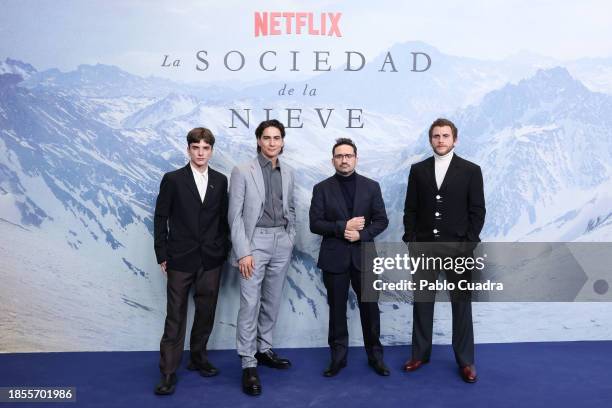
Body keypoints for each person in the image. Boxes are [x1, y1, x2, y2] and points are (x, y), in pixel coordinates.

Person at [402, 118, 486, 383]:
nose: (440, 140)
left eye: (445, 136)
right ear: (430, 140)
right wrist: (412, 240)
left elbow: (478, 211)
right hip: (424, 248)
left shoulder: (471, 170)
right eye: (436, 136)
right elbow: (410, 209)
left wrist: (467, 245)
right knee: (422, 303)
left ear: (455, 140)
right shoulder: (418, 170)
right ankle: (420, 354)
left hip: (458, 250)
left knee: (461, 306)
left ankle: (465, 361)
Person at [153, 127, 229, 395]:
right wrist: (162, 254)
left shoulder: (220, 181)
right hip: (180, 259)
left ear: (211, 151)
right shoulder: (172, 179)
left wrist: (222, 250)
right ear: (188, 150)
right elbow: (161, 217)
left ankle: (198, 358)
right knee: (175, 316)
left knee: (206, 312)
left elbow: (223, 220)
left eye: (205, 148)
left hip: (210, 259)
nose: (200, 153)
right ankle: (168, 372)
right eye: (196, 148)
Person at [309, 138, 390, 377]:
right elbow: (315, 224)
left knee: (370, 310)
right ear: (333, 159)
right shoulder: (321, 188)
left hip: (364, 256)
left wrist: (361, 235)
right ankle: (338, 359)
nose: (344, 160)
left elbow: (382, 220)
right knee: (336, 311)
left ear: (356, 158)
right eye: (339, 156)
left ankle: (375, 357)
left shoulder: (371, 186)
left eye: (348, 155)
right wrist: (342, 227)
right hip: (334, 258)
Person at [229, 119, 296, 396]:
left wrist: (290, 237)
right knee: (250, 302)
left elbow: (289, 207)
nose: (272, 142)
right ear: (258, 140)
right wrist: (243, 251)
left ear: (282, 141)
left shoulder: (289, 171)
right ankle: (248, 362)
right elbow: (233, 217)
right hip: (254, 241)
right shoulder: (243, 171)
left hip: (282, 239)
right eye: (266, 138)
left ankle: (264, 348)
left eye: (276, 138)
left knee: (272, 299)